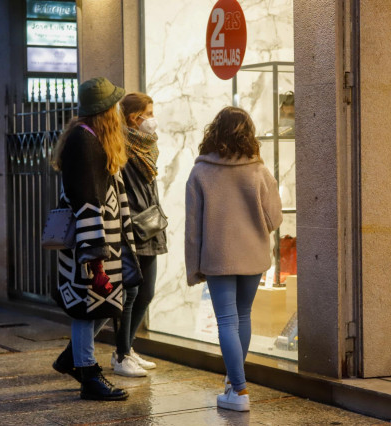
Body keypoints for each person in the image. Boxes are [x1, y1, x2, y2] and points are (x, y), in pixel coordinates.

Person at [185, 106, 283, 412]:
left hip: (217, 258)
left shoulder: (200, 172)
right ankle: (233, 382)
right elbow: (275, 218)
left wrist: (194, 267)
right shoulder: (259, 172)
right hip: (253, 256)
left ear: (214, 133)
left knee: (226, 320)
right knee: (243, 316)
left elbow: (193, 228)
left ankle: (239, 390)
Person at [50, 77, 141, 401]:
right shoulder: (84, 141)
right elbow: (87, 201)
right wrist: (95, 258)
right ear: (104, 111)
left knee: (105, 302)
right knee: (87, 307)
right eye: (114, 106)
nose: (118, 110)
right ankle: (88, 373)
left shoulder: (89, 138)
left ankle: (71, 357)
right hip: (92, 245)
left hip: (102, 244)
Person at [109, 92, 168, 376]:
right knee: (129, 294)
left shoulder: (148, 146)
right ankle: (121, 355)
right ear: (135, 117)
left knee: (147, 293)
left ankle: (128, 348)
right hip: (133, 227)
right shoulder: (120, 146)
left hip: (151, 224)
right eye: (149, 112)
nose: (152, 119)